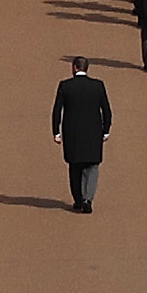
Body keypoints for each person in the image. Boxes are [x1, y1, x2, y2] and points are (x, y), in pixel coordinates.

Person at [50, 55, 111, 212]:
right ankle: (87, 198)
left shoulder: (65, 86)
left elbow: (57, 110)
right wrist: (105, 131)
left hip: (72, 134)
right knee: (92, 166)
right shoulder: (98, 86)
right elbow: (107, 111)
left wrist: (56, 132)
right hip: (93, 133)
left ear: (74, 67)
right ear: (86, 68)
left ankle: (78, 199)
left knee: (74, 166)